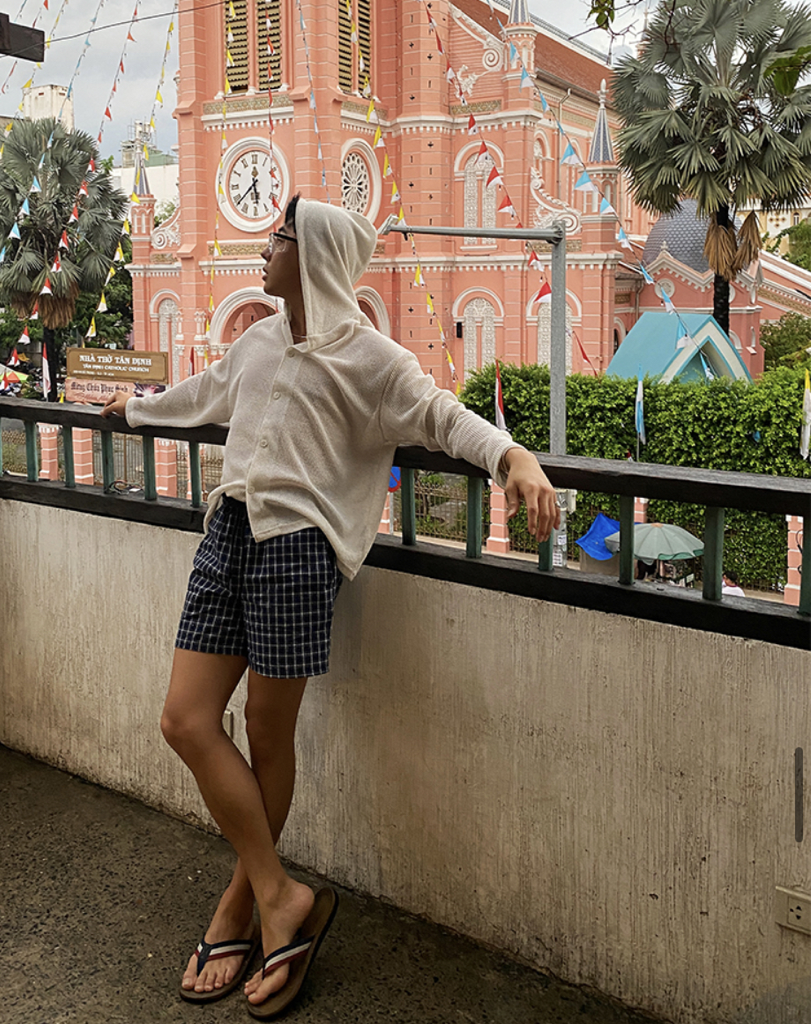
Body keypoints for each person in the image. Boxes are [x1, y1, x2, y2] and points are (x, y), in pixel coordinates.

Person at [101, 196, 559, 1017]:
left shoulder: (374, 360)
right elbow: (207, 392)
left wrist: (513, 457)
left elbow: (442, 417)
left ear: (312, 254)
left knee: (267, 732)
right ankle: (280, 893)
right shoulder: (260, 338)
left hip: (298, 554)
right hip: (228, 535)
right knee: (185, 720)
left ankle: (240, 907)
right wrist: (134, 409)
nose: (266, 248)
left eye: (280, 237)